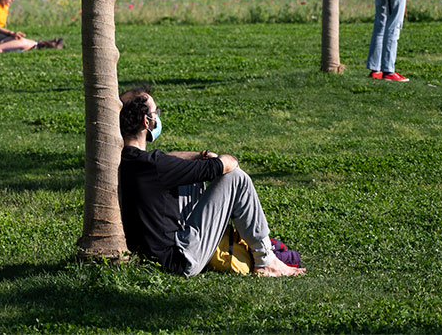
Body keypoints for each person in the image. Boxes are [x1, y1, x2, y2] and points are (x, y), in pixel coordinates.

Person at [117, 88, 306, 278]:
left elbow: (167, 159)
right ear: (146, 122)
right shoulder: (155, 165)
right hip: (179, 259)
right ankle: (266, 261)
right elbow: (226, 165)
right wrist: (221, 159)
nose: (157, 117)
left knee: (191, 174)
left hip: (155, 252)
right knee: (236, 178)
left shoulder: (126, 160)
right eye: (155, 113)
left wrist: (201, 156)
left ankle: (249, 243)